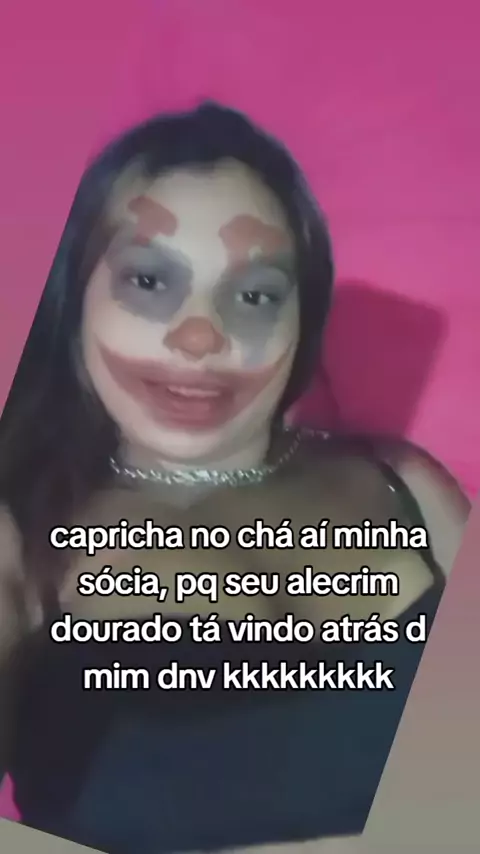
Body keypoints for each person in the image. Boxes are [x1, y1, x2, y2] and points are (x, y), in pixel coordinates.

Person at [0, 102, 470, 854]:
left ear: (301, 319)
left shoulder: (408, 488)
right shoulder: (21, 532)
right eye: (149, 280)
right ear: (74, 300)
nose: (201, 337)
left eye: (255, 295)